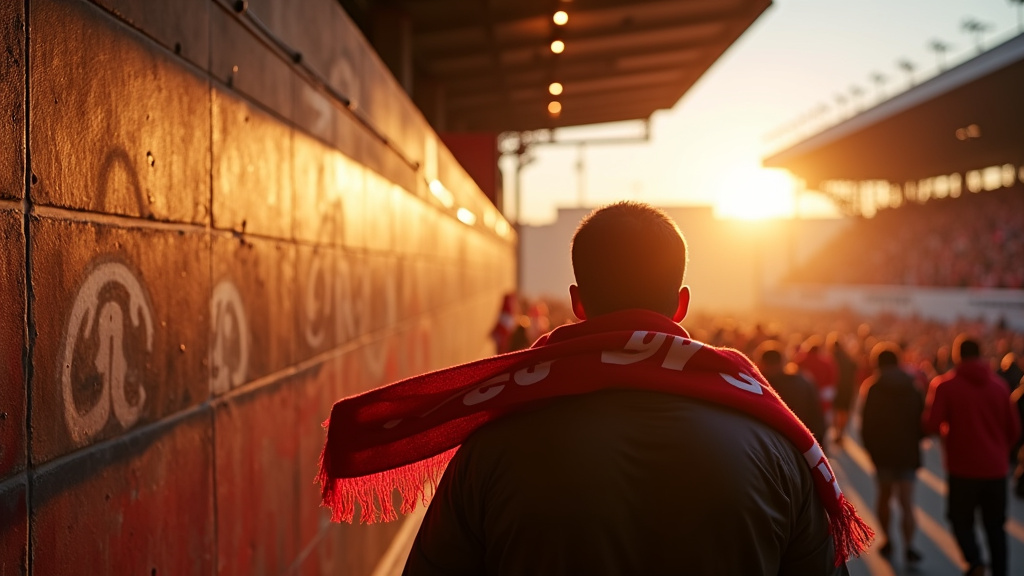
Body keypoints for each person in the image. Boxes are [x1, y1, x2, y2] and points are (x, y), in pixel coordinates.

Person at [923, 335, 1020, 576]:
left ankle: (975, 561)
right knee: (995, 527)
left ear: (956, 356)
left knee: (960, 520)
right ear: (981, 356)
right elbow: (1015, 429)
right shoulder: (999, 386)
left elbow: (932, 424)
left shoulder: (945, 385)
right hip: (996, 469)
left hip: (962, 468)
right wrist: (999, 451)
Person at [859, 342, 924, 566]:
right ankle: (909, 547)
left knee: (884, 497)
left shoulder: (873, 388)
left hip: (883, 453)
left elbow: (866, 425)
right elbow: (921, 421)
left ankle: (887, 540)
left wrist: (871, 450)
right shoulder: (912, 386)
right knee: (907, 502)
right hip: (907, 452)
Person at [755, 340, 827, 447]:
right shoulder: (803, 381)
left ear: (760, 363)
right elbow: (817, 419)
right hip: (800, 444)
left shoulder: (757, 386)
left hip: (769, 447)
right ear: (783, 362)